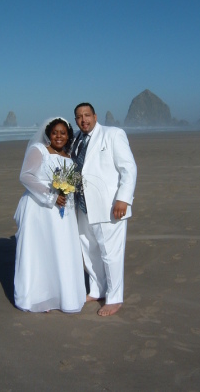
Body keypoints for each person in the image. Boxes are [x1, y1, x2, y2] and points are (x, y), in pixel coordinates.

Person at [13, 117, 86, 313]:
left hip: (64, 212)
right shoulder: (39, 150)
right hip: (40, 209)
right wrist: (51, 196)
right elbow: (26, 176)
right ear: (49, 134)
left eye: (63, 133)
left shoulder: (69, 156)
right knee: (41, 250)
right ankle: (39, 297)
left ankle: (61, 295)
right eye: (55, 133)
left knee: (61, 249)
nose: (59, 136)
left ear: (68, 135)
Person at [71, 103, 137, 317]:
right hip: (83, 206)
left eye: (87, 115)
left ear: (95, 116)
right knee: (89, 251)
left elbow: (129, 168)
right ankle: (97, 289)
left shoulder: (113, 134)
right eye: (79, 117)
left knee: (111, 253)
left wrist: (123, 199)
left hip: (109, 207)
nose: (84, 120)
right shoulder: (77, 141)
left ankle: (114, 298)